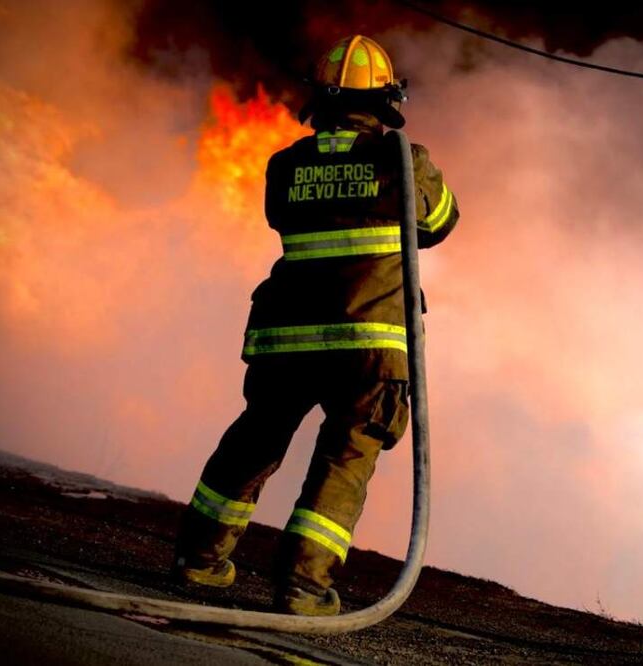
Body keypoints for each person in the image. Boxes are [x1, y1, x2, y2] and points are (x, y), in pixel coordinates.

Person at [171, 35, 459, 616]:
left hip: (288, 340)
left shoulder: (286, 166)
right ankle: (302, 587)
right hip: (369, 345)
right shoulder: (404, 159)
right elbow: (440, 220)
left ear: (319, 100)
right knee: (345, 458)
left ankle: (200, 559)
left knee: (255, 440)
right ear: (387, 99)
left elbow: (283, 216)